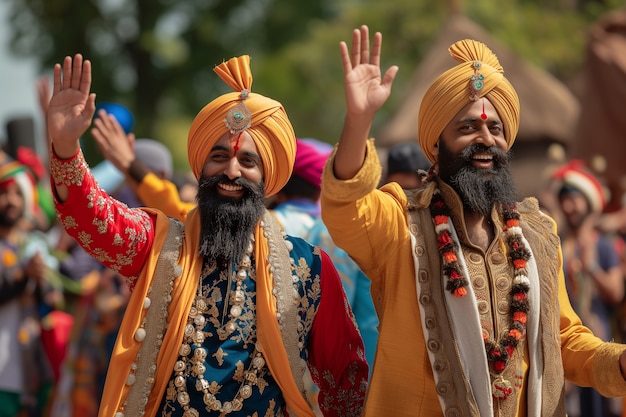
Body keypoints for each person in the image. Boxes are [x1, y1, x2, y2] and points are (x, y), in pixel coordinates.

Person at [320, 25, 626, 416]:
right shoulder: (400, 222)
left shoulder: (536, 232)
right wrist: (359, 120)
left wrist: (619, 362)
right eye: (467, 127)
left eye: (494, 128)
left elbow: (563, 338)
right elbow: (346, 209)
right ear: (436, 145)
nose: (485, 138)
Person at [46, 53, 368, 417]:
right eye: (218, 157)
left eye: (248, 162)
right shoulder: (159, 245)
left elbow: (345, 381)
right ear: (200, 167)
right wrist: (65, 146)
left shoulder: (308, 268)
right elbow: (90, 217)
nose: (231, 171)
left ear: (268, 178)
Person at [552, 160, 624, 417]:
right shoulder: (556, 246)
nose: (570, 206)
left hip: (602, 344)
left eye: (575, 199)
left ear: (588, 201)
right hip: (569, 349)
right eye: (565, 199)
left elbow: (615, 292)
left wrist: (591, 266)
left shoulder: (604, 245)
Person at [0, 160, 56, 417]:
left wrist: (44, 282)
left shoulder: (31, 245)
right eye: (3, 193)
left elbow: (46, 301)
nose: (11, 201)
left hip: (27, 368)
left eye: (16, 194)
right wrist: (24, 274)